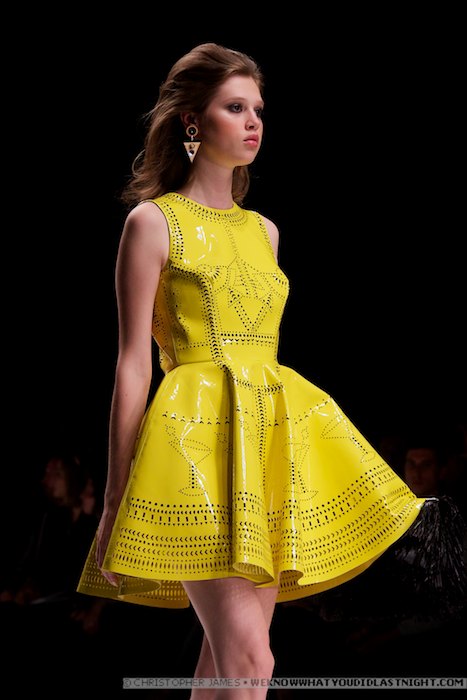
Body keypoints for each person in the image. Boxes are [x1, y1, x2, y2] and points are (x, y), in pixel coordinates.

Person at [77, 43, 431, 698]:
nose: (252, 123)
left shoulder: (265, 232)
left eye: (258, 110)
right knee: (249, 660)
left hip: (268, 442)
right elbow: (131, 364)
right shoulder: (152, 223)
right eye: (234, 107)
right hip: (193, 446)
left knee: (226, 665)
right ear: (192, 121)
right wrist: (115, 495)